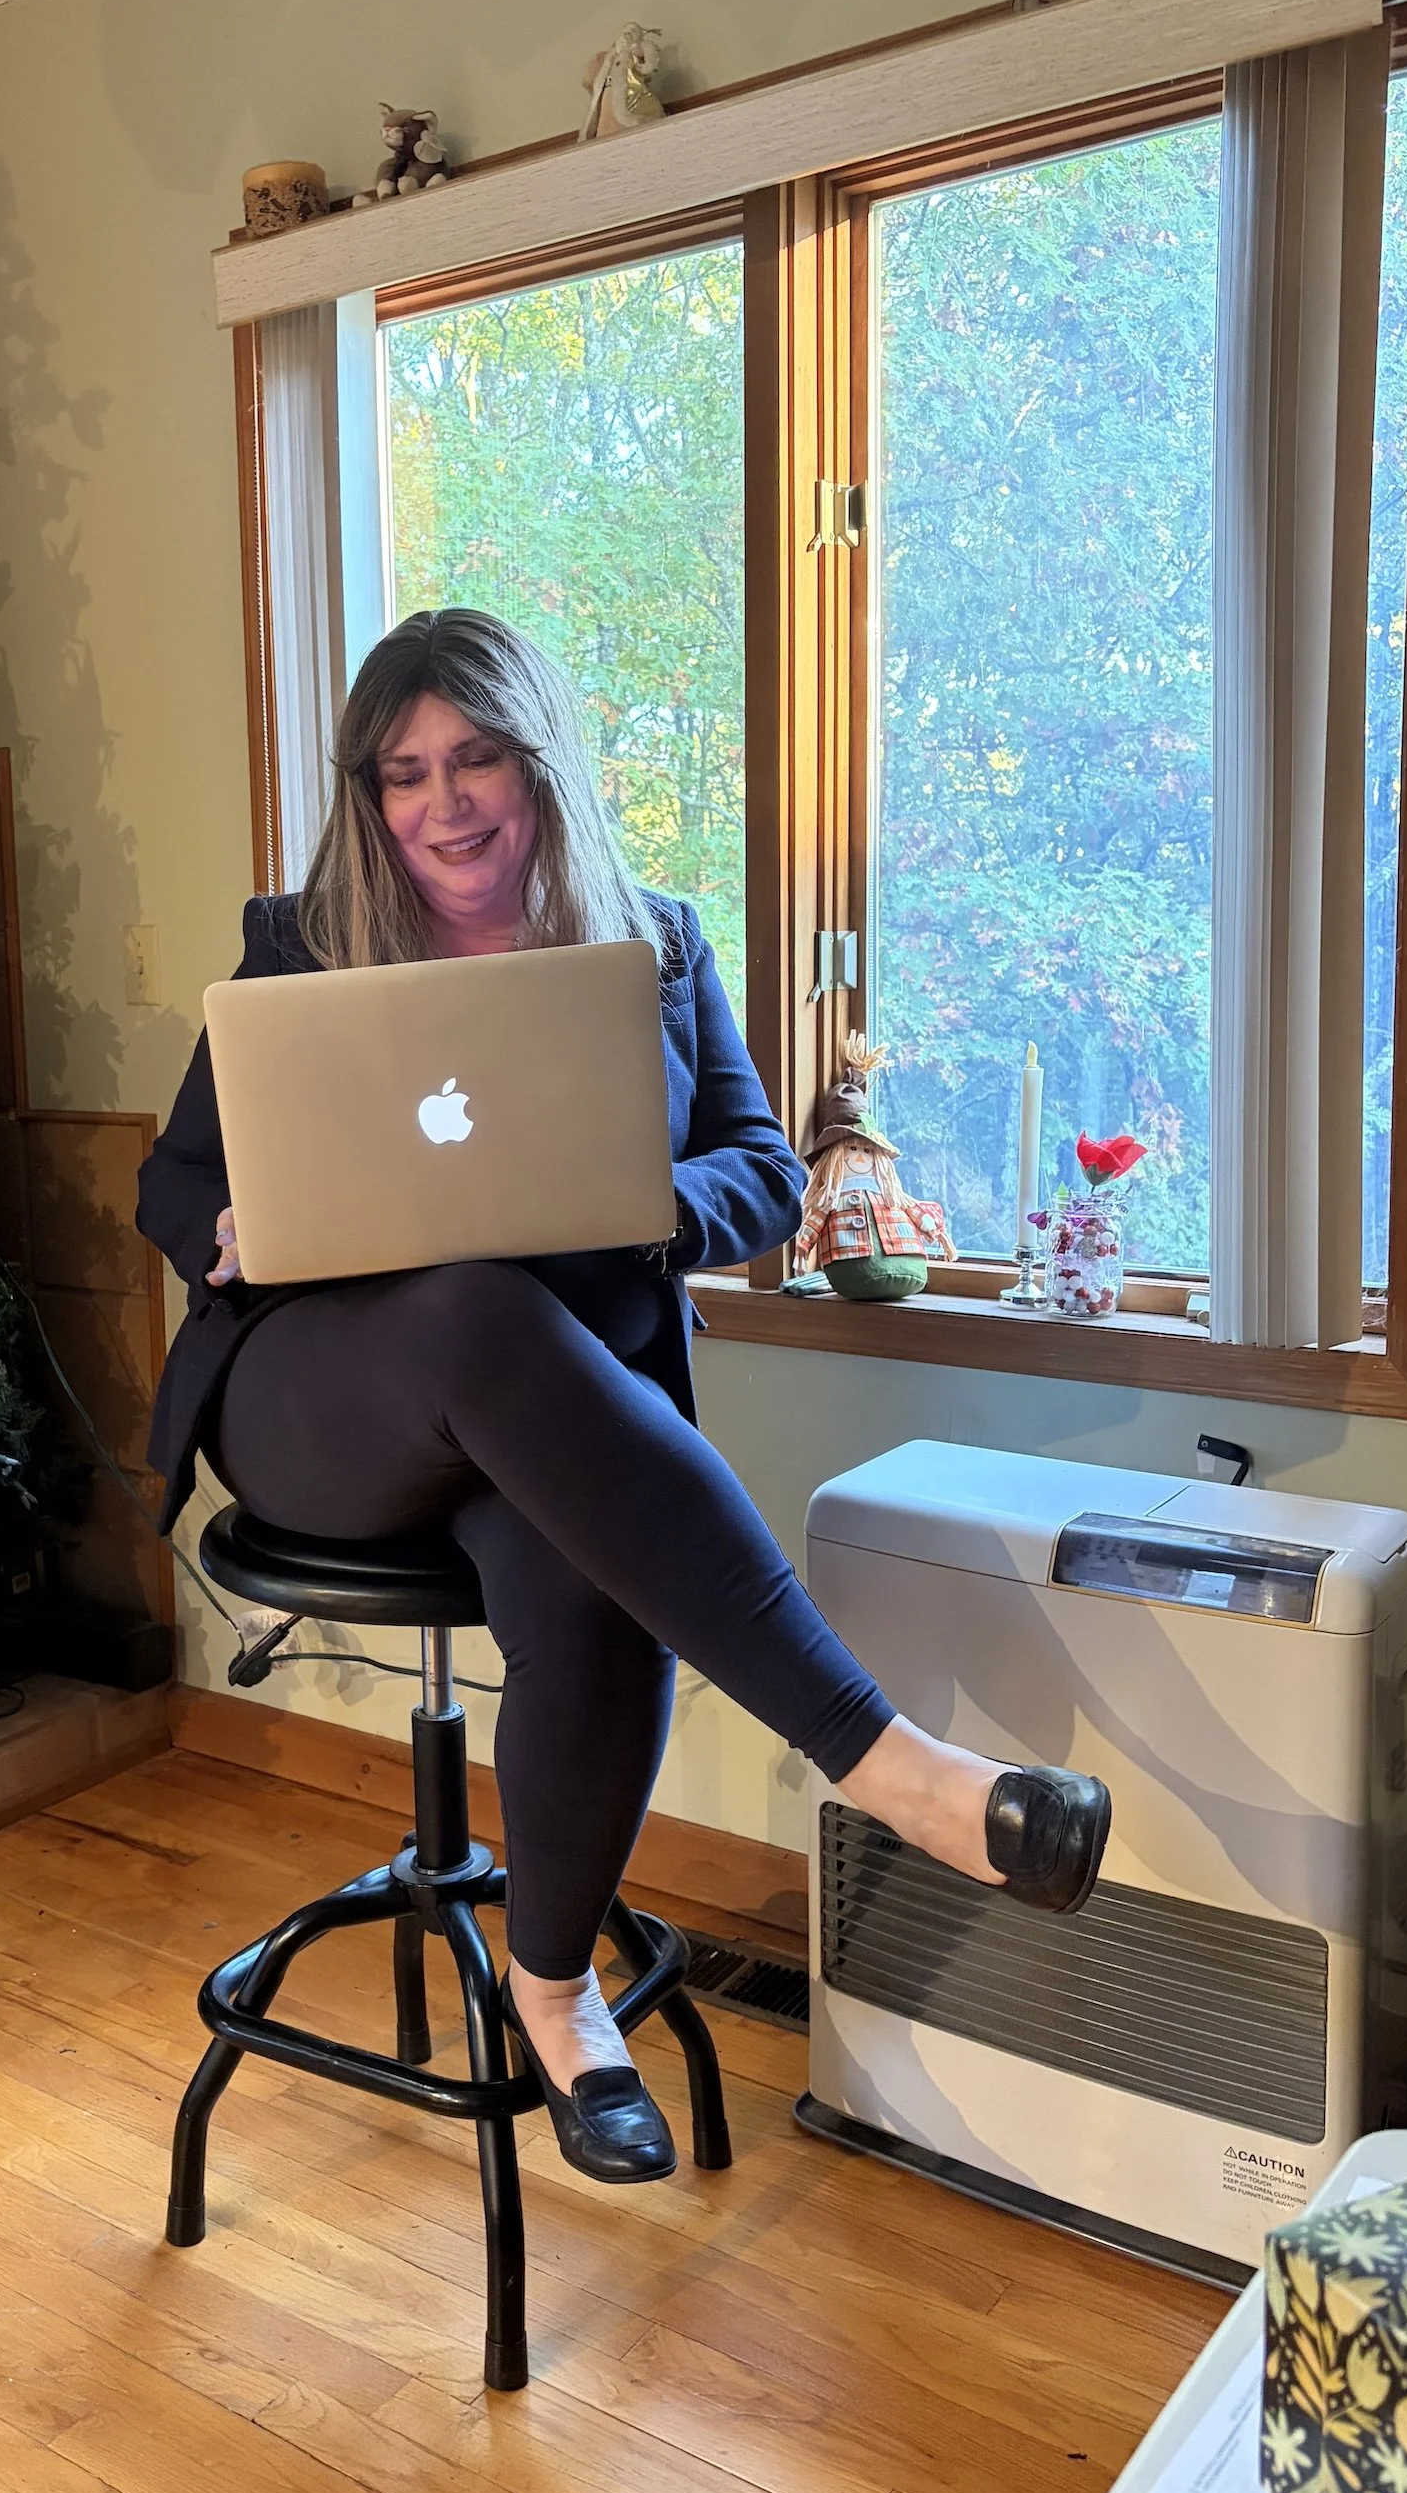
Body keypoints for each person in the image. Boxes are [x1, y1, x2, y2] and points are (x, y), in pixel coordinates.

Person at [139, 609, 1110, 2185]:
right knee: (471, 1304)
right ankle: (893, 1771)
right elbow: (169, 1183)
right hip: (319, 1400)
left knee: (591, 1581)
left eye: (475, 759)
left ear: (540, 762)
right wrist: (232, 1224)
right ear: (367, 794)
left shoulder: (653, 944)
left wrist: (641, 1198)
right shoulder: (300, 943)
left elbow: (765, 1176)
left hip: (543, 1427)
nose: (443, 803)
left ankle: (553, 1991)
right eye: (402, 773)